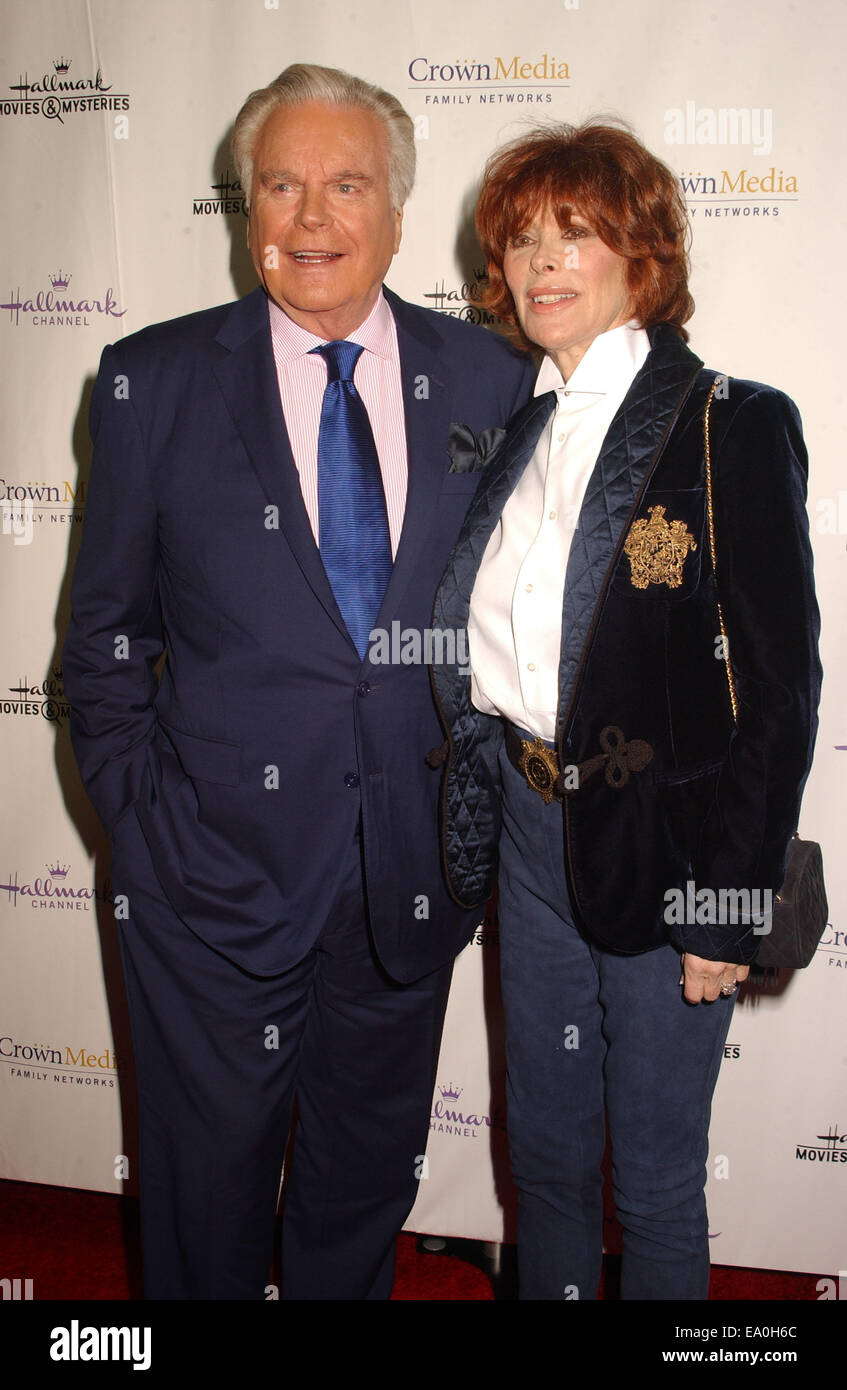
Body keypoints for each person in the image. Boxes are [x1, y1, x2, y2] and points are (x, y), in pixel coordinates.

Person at [62, 63, 533, 1300]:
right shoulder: (150, 382)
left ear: (395, 207)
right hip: (209, 887)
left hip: (405, 880)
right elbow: (101, 644)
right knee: (200, 1203)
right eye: (281, 184)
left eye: (345, 184)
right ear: (245, 210)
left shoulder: (487, 379)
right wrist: (154, 833)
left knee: (360, 1189)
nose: (311, 216)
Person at [430, 121, 821, 1299]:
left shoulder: (730, 423)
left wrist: (729, 900)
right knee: (544, 1163)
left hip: (668, 855)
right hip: (529, 833)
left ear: (638, 253)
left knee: (650, 1178)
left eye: (575, 233)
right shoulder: (517, 434)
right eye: (520, 241)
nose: (541, 263)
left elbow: (780, 688)